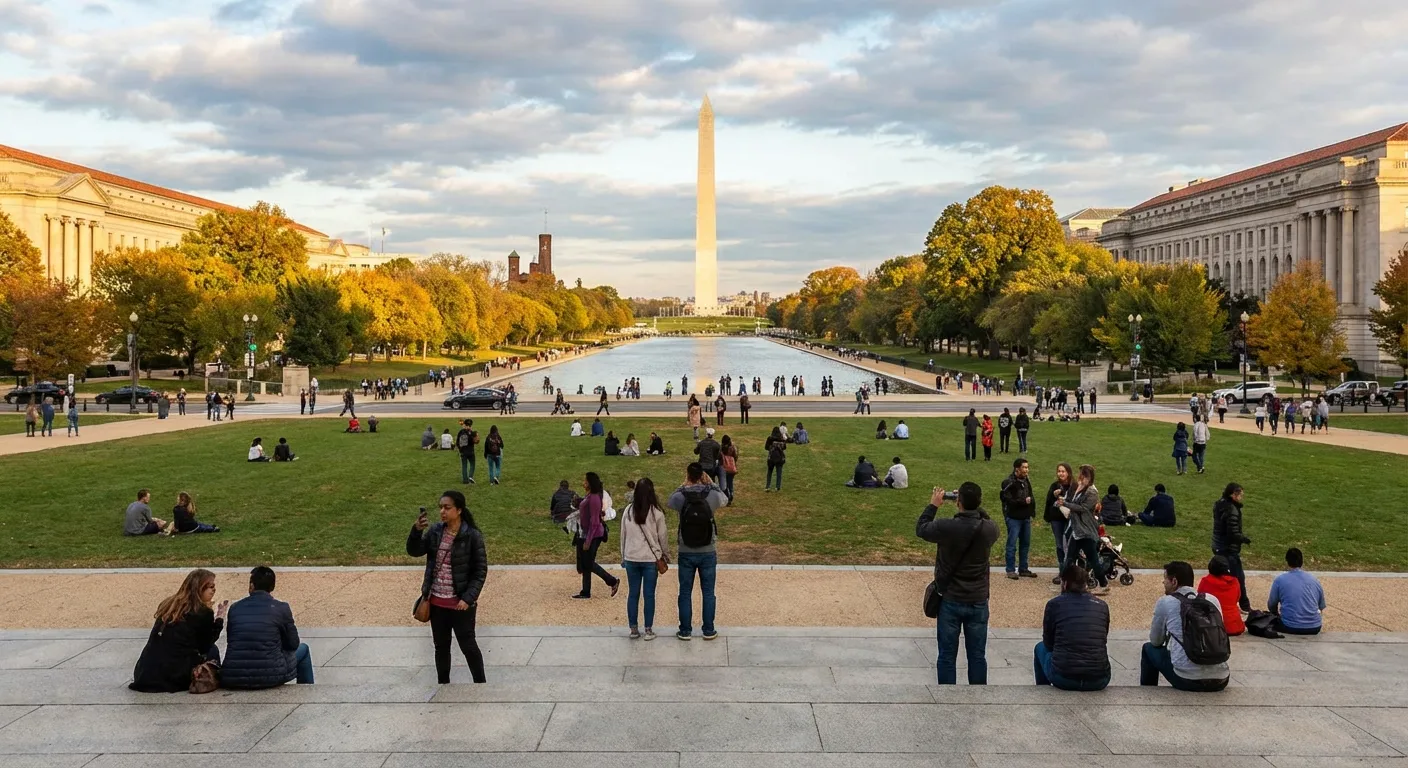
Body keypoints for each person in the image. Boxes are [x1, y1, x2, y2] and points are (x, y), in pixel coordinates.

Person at [916, 482, 998, 685]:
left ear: (958, 502)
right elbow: (985, 518)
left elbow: (921, 528)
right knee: (977, 655)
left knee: (946, 655)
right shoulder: (989, 529)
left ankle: (946, 698)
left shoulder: (947, 527)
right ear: (979, 502)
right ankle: (978, 692)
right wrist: (971, 504)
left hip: (951, 597)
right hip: (978, 598)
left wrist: (933, 505)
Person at [407, 490, 488, 684]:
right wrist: (416, 531)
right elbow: (414, 551)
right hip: (436, 602)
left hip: (460, 604)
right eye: (441, 507)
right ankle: (443, 685)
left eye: (447, 507)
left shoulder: (472, 536)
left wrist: (468, 599)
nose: (442, 511)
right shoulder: (435, 531)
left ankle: (481, 684)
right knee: (441, 647)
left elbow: (480, 571)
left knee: (468, 646)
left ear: (459, 510)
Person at [129, 568, 228, 692]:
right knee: (213, 650)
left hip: (145, 674)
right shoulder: (203, 612)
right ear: (199, 589)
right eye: (210, 587)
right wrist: (219, 620)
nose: (214, 590)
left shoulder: (169, 605)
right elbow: (205, 646)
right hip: (173, 677)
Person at [1141, 561, 1230, 691]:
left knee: (1148, 648)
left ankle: (1147, 692)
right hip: (1221, 678)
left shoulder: (1166, 602)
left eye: (1165, 579)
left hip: (1187, 679)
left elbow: (1156, 641)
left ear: (1174, 581)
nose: (1163, 583)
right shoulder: (1212, 600)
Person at [222, 566, 314, 688]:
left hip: (232, 674)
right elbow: (293, 644)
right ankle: (307, 691)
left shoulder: (235, 608)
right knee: (304, 649)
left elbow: (232, 640)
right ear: (272, 587)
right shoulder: (281, 608)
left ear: (251, 585)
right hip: (271, 674)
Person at [667, 462, 728, 640]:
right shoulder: (712, 494)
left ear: (688, 475)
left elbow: (670, 501)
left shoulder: (680, 496)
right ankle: (708, 629)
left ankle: (685, 630)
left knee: (685, 592)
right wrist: (712, 483)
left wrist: (683, 484)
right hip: (707, 548)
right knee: (708, 592)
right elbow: (724, 499)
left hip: (686, 549)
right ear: (702, 475)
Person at [1034, 564, 1111, 691]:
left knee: (1040, 648)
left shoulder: (1054, 604)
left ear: (1064, 584)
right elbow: (1103, 638)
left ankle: (1043, 691)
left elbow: (1048, 643)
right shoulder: (1102, 606)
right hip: (1099, 679)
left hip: (1063, 678)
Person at [620, 478, 669, 641]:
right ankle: (648, 629)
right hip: (649, 558)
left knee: (633, 593)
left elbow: (623, 535)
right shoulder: (657, 513)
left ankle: (633, 628)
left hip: (631, 556)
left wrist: (623, 555)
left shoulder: (628, 511)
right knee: (649, 595)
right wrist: (665, 555)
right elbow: (662, 537)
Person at [1060, 464, 1109, 595]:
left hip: (1086, 531)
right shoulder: (1081, 488)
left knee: (1092, 559)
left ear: (1087, 476)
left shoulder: (1092, 492)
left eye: (1081, 474)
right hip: (1077, 531)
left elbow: (1082, 508)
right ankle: (1065, 583)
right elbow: (1073, 502)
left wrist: (1064, 503)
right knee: (1069, 558)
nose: (1079, 476)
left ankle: (1103, 584)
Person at [572, 472, 620, 599]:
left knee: (588, 562)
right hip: (586, 533)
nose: (583, 482)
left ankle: (612, 581)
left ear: (589, 483)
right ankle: (585, 591)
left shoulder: (593, 498)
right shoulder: (589, 496)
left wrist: (588, 540)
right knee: (586, 562)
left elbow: (594, 522)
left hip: (593, 534)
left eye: (585, 480)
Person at [1211, 482, 1251, 612]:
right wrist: (1243, 539)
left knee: (1220, 577)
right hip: (1228, 549)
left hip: (1217, 545)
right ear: (1234, 494)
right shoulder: (1232, 509)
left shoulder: (1218, 504)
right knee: (1238, 577)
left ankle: (1220, 602)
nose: (1241, 498)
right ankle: (1244, 605)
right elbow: (1232, 532)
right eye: (1240, 495)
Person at [1268, 547, 1326, 635]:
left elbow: (1271, 604)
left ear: (1287, 561)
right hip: (1315, 627)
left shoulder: (1280, 580)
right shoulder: (1314, 580)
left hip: (1289, 626)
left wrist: (1276, 614)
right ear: (1302, 561)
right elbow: (1321, 606)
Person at [999, 458, 1036, 579]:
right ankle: (1010, 569)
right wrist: (1023, 501)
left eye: (1027, 467)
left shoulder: (1026, 480)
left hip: (1025, 517)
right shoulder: (1009, 482)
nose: (1026, 470)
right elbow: (1006, 499)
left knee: (1025, 544)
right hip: (1014, 517)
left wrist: (1031, 510)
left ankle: (1023, 568)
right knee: (1012, 544)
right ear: (1017, 469)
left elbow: (1030, 495)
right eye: (1024, 467)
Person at [1197, 556, 1246, 636]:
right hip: (1235, 626)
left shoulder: (1206, 581)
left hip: (1214, 625)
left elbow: (1200, 601)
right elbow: (1237, 598)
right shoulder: (1234, 581)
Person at [1043, 463, 1074, 579]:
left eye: (1063, 471)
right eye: (1059, 471)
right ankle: (1062, 572)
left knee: (1070, 546)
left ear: (1068, 473)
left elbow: (1074, 501)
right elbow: (1048, 502)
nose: (1061, 473)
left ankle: (1071, 571)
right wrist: (1053, 495)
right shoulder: (1054, 485)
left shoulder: (1073, 486)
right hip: (1056, 519)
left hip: (1069, 518)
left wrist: (1063, 496)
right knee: (1060, 545)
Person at [764, 426, 786, 491]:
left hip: (771, 457)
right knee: (779, 473)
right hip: (779, 457)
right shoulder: (781, 438)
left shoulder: (770, 438)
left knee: (769, 472)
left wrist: (771, 448)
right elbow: (784, 447)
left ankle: (768, 486)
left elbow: (766, 447)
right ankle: (777, 486)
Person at [720, 435, 738, 502]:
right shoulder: (732, 448)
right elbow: (735, 456)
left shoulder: (721, 448)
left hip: (724, 467)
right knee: (730, 482)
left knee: (725, 483)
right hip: (732, 467)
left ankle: (727, 496)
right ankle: (731, 493)